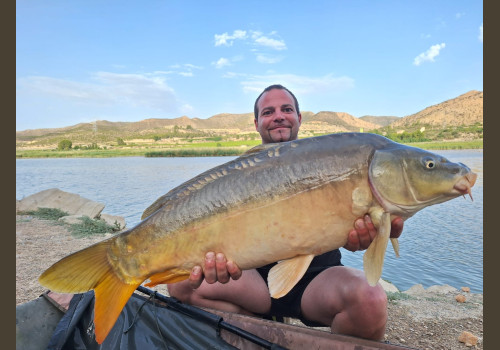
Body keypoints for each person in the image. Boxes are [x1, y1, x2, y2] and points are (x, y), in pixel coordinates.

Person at [167, 84, 404, 340]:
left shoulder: (333, 160)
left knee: (370, 300)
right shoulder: (242, 175)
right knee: (179, 283)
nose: (278, 115)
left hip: (316, 279)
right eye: (268, 112)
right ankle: (261, 325)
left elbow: (379, 227)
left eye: (287, 109)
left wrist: (370, 235)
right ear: (256, 123)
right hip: (251, 279)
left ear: (299, 119)